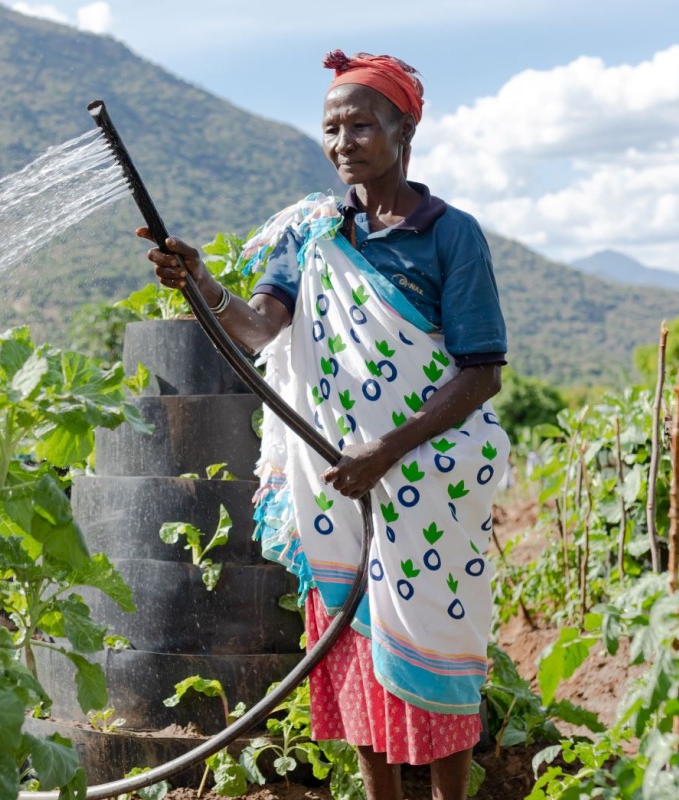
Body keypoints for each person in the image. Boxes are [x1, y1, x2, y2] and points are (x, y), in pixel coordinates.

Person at [143, 50, 509, 800]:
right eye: (332, 128)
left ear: (404, 131)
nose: (344, 142)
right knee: (353, 641)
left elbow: (482, 372)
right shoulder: (311, 233)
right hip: (340, 481)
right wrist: (202, 282)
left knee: (439, 639)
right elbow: (258, 329)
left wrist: (386, 450)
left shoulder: (451, 236)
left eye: (362, 125)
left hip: (427, 478)